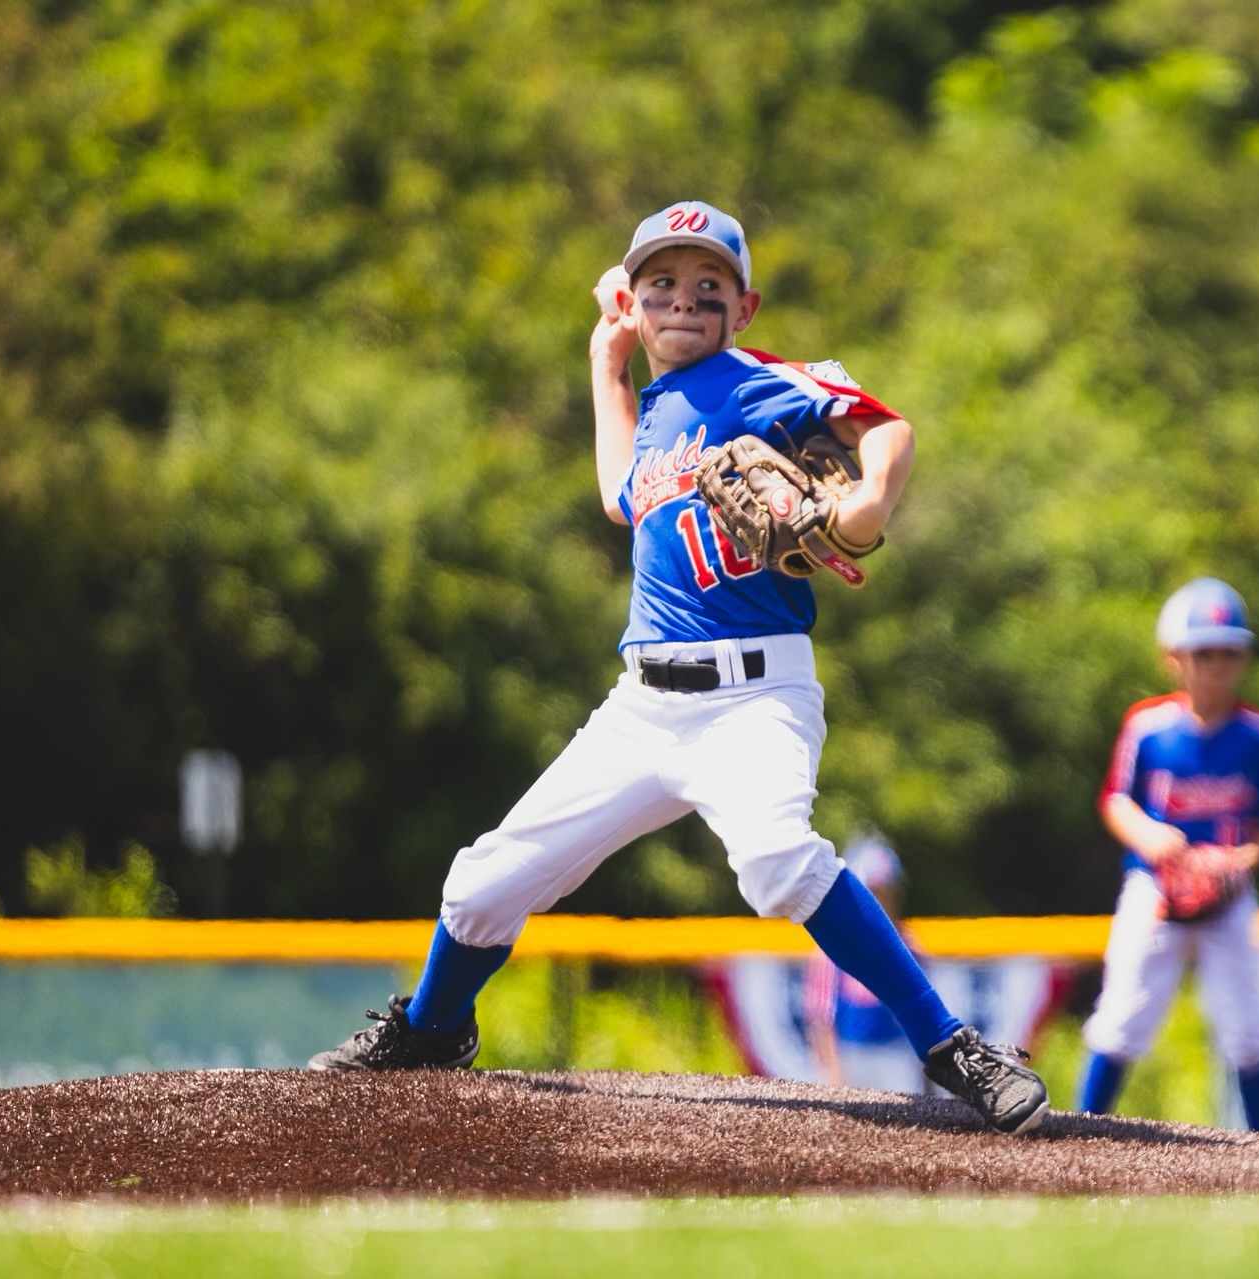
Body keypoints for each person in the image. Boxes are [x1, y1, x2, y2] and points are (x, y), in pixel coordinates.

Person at [308, 200, 1048, 1136]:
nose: (684, 301)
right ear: (634, 299)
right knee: (478, 887)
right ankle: (431, 1028)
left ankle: (952, 1048)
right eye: (662, 284)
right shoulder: (656, 410)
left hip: (756, 696)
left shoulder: (765, 379)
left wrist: (866, 504)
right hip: (642, 706)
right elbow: (622, 496)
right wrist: (603, 360)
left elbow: (887, 431)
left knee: (777, 863)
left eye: (709, 287)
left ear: (745, 308)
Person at [1075, 577, 1259, 1133]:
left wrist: (1241, 860)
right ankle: (1075, 1136)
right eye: (1204, 652)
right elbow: (1115, 800)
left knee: (1248, 1032)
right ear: (1174, 658)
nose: (1216, 664)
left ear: (1243, 658)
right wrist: (1149, 835)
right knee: (1121, 1021)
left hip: (1228, 895)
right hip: (1154, 888)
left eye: (1227, 652)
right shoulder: (1148, 727)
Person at [802, 836, 929, 1094]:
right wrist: (833, 1073)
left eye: (883, 892)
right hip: (849, 1056)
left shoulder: (911, 947)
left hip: (897, 1058)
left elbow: (925, 1015)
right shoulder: (832, 948)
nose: (878, 901)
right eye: (870, 892)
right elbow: (820, 1019)